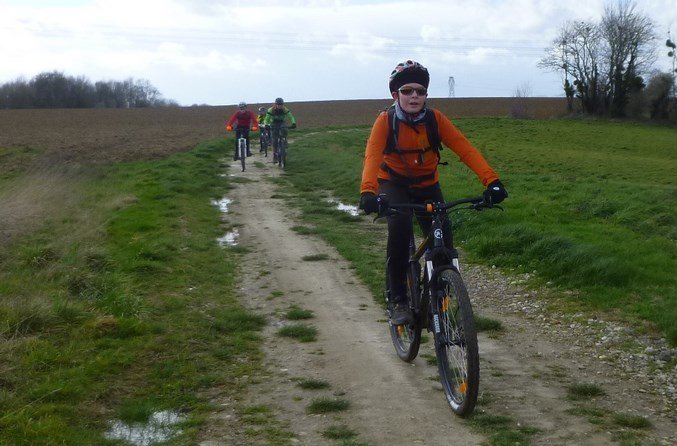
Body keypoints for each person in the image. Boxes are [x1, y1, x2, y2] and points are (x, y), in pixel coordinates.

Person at [359, 60, 508, 325]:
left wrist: (492, 181)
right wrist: (369, 192)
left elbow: (465, 148)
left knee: (444, 241)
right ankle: (399, 300)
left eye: (420, 90)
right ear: (396, 95)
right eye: (407, 90)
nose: (414, 95)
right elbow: (372, 155)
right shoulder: (385, 121)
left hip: (427, 183)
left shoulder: (435, 120)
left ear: (426, 94)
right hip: (394, 183)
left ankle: (440, 300)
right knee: (400, 228)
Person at [263, 97, 296, 162]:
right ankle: (275, 155)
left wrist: (293, 123)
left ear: (283, 104)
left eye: (281, 104)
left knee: (285, 129)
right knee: (274, 140)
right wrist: (266, 125)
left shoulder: (285, 109)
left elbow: (291, 117)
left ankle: (284, 140)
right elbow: (266, 119)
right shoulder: (271, 110)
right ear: (275, 104)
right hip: (274, 123)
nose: (280, 106)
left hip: (282, 122)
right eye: (278, 104)